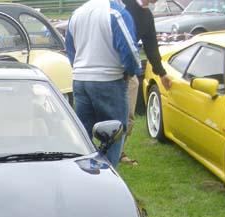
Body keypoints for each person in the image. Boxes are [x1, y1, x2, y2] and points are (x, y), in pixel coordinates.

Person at [65, 0, 142, 168]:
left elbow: (70, 49)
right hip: (109, 80)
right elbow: (130, 50)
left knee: (83, 136)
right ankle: (107, 176)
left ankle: (81, 174)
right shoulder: (116, 13)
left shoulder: (77, 13)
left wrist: (80, 68)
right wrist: (132, 71)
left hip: (80, 80)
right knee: (113, 135)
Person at [120, 0, 173, 165]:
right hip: (108, 70)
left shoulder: (146, 15)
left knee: (128, 116)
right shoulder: (122, 5)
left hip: (128, 73)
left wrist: (162, 73)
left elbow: (151, 46)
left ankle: (119, 152)